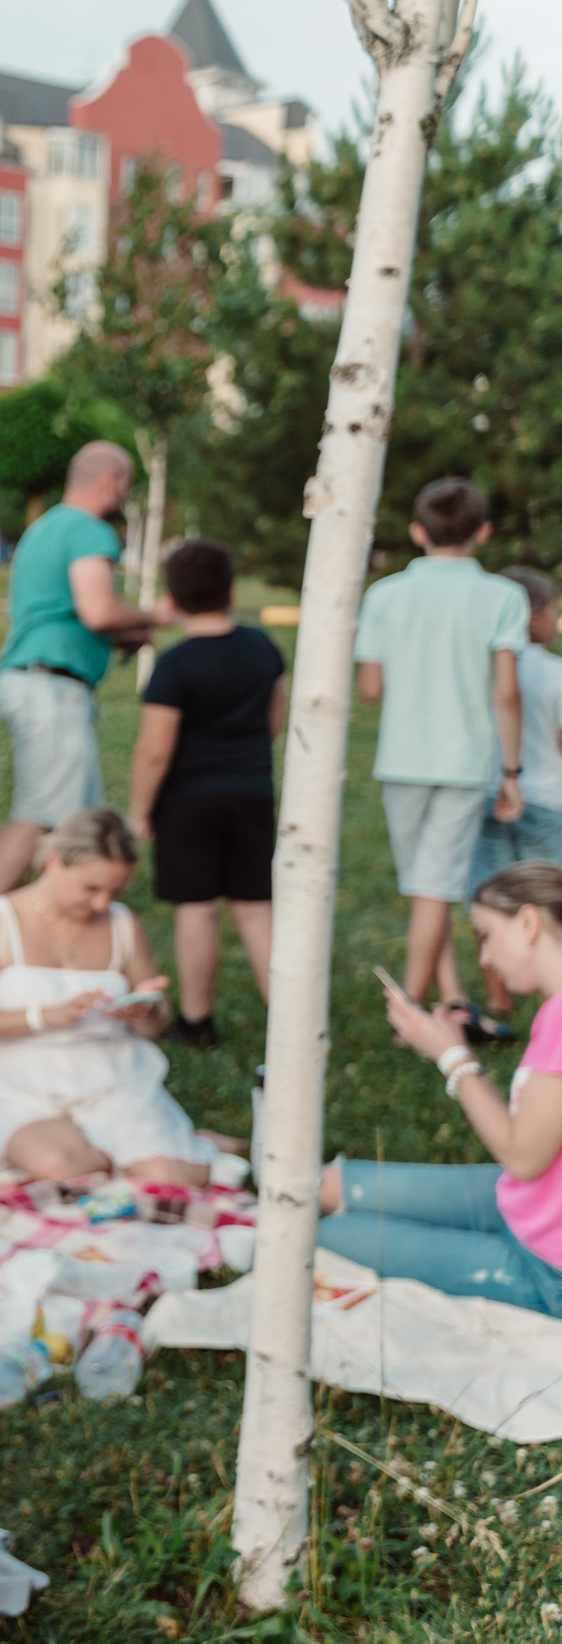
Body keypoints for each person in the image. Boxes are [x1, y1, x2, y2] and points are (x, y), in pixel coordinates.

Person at [0, 808, 233, 1187]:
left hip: (112, 1077)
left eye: (115, 891)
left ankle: (180, 1149)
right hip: (23, 1084)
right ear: (54, 862)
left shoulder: (122, 924)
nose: (101, 903)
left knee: (167, 1178)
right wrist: (43, 1017)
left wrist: (145, 1011)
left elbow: (157, 1021)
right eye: (91, 888)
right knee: (66, 1168)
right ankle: (143, 1148)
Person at [335, 862, 562, 1314]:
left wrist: (452, 1057)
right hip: (524, 1203)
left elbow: (524, 1156)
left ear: (528, 922)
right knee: (331, 1187)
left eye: (485, 935)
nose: (485, 959)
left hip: (545, 1266)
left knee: (325, 1238)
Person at [355, 477, 527, 1039]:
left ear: (416, 532)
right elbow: (506, 692)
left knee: (428, 886)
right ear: (483, 531)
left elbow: (371, 688)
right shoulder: (503, 596)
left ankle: (447, 997)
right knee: (436, 886)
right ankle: (412, 1013)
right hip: (464, 759)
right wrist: (510, 770)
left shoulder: (383, 595)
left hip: (401, 757)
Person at [0, 443, 160, 922]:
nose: (125, 494)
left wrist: (122, 638)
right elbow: (98, 610)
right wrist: (155, 616)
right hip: (50, 686)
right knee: (42, 815)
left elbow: (61, 612)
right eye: (126, 484)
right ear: (110, 482)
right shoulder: (90, 531)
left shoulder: (45, 527)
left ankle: (53, 913)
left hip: (31, 677)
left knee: (66, 812)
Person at [126, 539, 288, 1047]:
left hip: (188, 800)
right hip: (252, 792)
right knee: (256, 907)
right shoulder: (262, 647)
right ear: (232, 589)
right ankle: (289, 1020)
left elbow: (155, 750)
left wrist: (138, 812)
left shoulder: (174, 666)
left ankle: (197, 1022)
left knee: (196, 907)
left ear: (170, 600)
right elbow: (275, 718)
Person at [473, 568, 562, 1016]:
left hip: (487, 795)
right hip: (547, 800)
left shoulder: (479, 669)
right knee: (552, 903)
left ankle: (497, 996)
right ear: (539, 616)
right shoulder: (556, 673)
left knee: (490, 897)